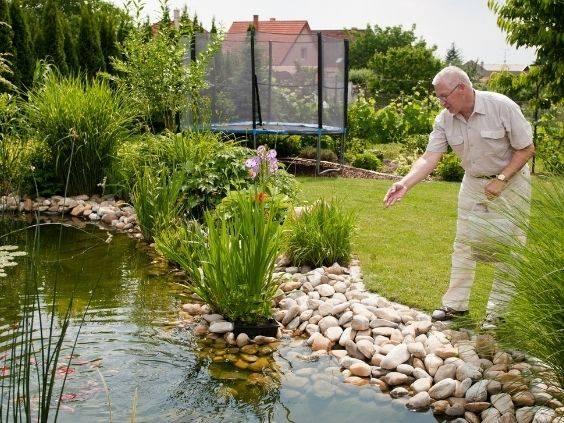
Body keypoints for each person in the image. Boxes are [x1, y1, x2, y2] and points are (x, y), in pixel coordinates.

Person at [383, 66, 535, 326]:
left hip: (511, 184)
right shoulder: (445, 119)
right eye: (439, 98)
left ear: (462, 88)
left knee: (510, 249)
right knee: (464, 243)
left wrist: (501, 179)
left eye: (444, 96)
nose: (442, 102)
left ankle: (497, 315)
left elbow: (526, 148)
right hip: (474, 184)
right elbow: (430, 157)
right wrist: (405, 183)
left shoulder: (502, 107)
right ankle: (456, 307)